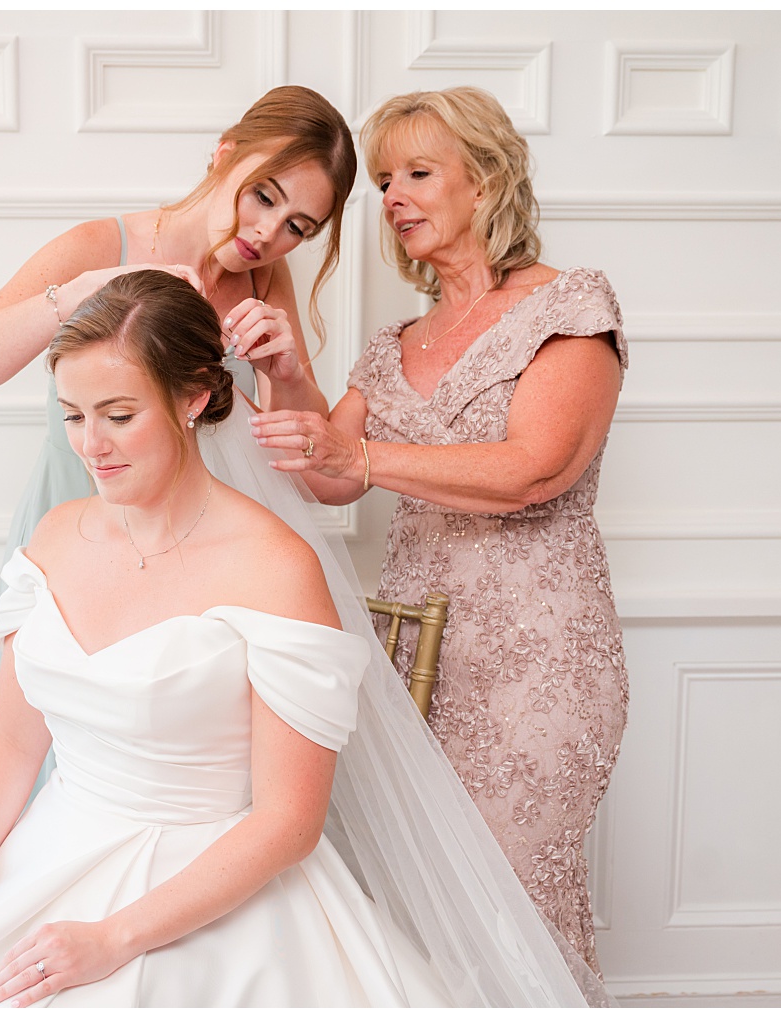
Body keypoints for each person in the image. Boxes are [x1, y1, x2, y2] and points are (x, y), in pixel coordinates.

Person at [0, 271, 605, 1007]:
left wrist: (114, 939)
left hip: (210, 884)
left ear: (195, 398)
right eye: (73, 415)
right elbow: (9, 738)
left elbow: (290, 821)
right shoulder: (56, 536)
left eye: (119, 414)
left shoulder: (274, 567)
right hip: (50, 856)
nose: (90, 444)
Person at [247, 86, 629, 974]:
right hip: (411, 658)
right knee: (416, 905)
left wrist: (367, 459)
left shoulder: (568, 308)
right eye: (384, 180)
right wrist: (287, 369)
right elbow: (323, 475)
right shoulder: (392, 343)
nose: (393, 196)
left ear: (488, 182)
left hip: (540, 661)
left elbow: (535, 469)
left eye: (419, 172)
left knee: (517, 899)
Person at [0, 86, 358, 796]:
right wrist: (78, 295)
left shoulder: (264, 280)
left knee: (178, 784)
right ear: (226, 154)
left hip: (196, 579)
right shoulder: (102, 245)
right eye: (263, 196)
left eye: (297, 226)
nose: (269, 232)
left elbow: (322, 478)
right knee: (53, 773)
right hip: (79, 550)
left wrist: (287, 375)